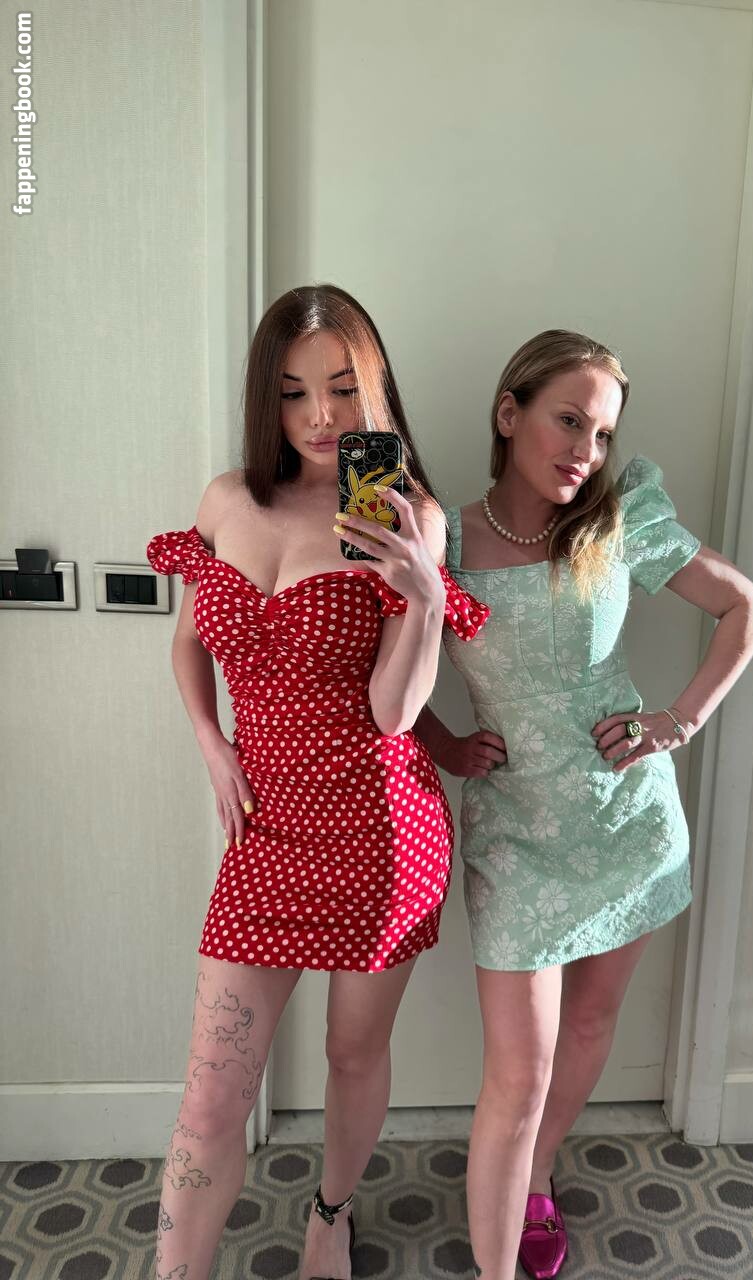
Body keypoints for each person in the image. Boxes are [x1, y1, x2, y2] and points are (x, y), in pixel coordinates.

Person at [146, 284, 489, 1280]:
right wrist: (212, 742)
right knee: (212, 1094)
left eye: (342, 387)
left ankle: (330, 1216)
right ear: (268, 399)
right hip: (263, 834)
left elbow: (394, 713)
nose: (322, 416)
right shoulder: (229, 500)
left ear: (375, 387)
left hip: (379, 832)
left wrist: (423, 598)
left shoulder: (405, 515)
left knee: (351, 1054)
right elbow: (190, 641)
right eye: (294, 393)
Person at [415, 329, 753, 1280]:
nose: (586, 450)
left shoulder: (620, 521)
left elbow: (748, 608)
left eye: (603, 433)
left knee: (586, 1027)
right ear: (510, 414)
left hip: (625, 819)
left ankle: (536, 1171)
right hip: (514, 834)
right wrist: (445, 743)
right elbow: (378, 671)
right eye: (569, 420)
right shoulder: (441, 540)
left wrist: (677, 722)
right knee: (517, 1070)